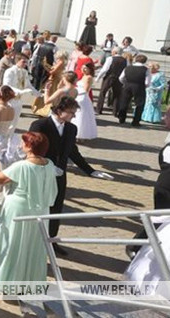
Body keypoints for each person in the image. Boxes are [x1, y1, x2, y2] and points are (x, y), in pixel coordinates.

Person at [29, 96, 112, 255]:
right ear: (59, 110)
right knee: (38, 207)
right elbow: (32, 150)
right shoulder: (40, 125)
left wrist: (90, 171)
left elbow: (73, 152)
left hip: (60, 175)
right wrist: (47, 166)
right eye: (71, 112)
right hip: (40, 174)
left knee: (56, 208)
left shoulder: (71, 128)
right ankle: (33, 241)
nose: (73, 116)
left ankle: (51, 241)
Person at [0, 132, 58, 295]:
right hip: (40, 211)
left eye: (24, 143)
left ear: (29, 147)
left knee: (13, 244)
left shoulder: (22, 166)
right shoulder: (49, 164)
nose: (21, 145)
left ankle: (6, 281)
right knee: (32, 245)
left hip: (18, 209)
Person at [118, 54, 150, 126]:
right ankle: (136, 121)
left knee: (124, 102)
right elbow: (147, 82)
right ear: (145, 61)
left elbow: (121, 78)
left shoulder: (128, 67)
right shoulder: (146, 69)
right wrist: (145, 86)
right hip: (139, 86)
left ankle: (121, 118)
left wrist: (125, 83)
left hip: (128, 85)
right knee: (139, 104)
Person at [96, 47, 126, 115]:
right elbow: (125, 70)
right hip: (119, 78)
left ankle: (99, 109)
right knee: (117, 95)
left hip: (109, 77)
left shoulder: (110, 58)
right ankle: (115, 111)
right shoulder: (125, 60)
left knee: (103, 93)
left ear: (115, 52)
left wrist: (98, 77)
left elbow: (105, 69)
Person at [72, 64, 98, 140]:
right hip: (78, 95)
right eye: (82, 68)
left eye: (85, 68)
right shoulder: (84, 76)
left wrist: (75, 93)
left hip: (82, 97)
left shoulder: (89, 77)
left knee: (81, 116)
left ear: (90, 69)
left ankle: (80, 134)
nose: (83, 70)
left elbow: (85, 90)